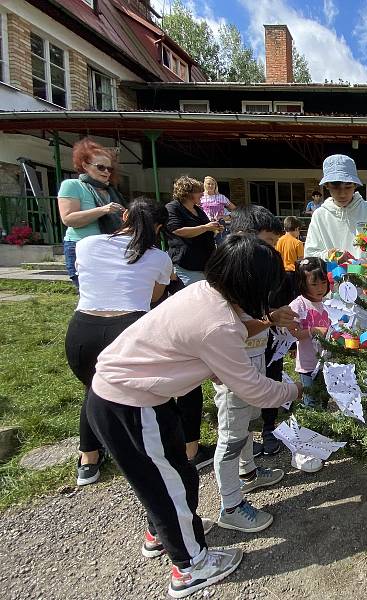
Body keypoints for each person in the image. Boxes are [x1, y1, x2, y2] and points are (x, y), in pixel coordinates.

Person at [87, 234, 303, 599]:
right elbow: (253, 388)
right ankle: (190, 567)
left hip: (134, 398)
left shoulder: (207, 292)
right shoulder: (217, 324)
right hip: (131, 405)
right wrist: (295, 391)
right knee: (170, 484)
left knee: (170, 475)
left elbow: (225, 337)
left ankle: (162, 533)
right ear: (251, 284)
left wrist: (264, 322)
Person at [65, 197, 173, 486]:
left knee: (94, 387)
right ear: (159, 227)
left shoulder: (86, 244)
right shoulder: (159, 257)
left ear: (125, 215)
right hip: (128, 328)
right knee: (137, 400)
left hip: (82, 330)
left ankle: (88, 457)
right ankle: (141, 455)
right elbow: (153, 297)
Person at [211, 243, 292, 534]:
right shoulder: (225, 304)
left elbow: (251, 327)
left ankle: (249, 472)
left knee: (245, 427)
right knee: (231, 436)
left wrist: (271, 319)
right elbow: (241, 330)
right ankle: (230, 506)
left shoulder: (248, 297)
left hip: (251, 368)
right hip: (233, 376)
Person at [228, 205, 296, 458]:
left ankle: (269, 428)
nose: (273, 249)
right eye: (268, 241)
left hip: (269, 341)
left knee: (272, 376)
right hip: (241, 348)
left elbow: (281, 297)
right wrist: (270, 318)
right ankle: (243, 447)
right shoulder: (229, 274)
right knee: (238, 400)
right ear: (245, 235)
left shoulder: (272, 265)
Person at [166, 176, 224, 469]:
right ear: (189, 192)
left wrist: (212, 228)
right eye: (199, 191)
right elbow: (178, 231)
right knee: (196, 308)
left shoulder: (198, 209)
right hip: (187, 266)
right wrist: (205, 227)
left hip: (204, 265)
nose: (203, 195)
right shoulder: (174, 209)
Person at [57, 138, 125, 288]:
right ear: (85, 166)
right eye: (101, 167)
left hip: (109, 248)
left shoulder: (110, 191)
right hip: (81, 248)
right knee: (90, 295)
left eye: (110, 168)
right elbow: (68, 219)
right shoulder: (72, 185)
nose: (106, 172)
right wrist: (102, 210)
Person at [288, 257, 332, 473]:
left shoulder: (330, 302)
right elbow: (293, 332)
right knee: (311, 404)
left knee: (323, 402)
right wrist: (313, 330)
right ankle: (306, 446)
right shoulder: (299, 305)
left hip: (327, 364)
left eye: (322, 283)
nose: (319, 288)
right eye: (313, 284)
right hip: (308, 365)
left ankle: (320, 439)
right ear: (302, 283)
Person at [304, 154, 367, 259]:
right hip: (332, 274)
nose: (342, 194)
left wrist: (365, 263)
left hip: (366, 273)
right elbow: (310, 255)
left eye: (348, 187)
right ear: (327, 186)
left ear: (355, 185)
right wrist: (328, 255)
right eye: (335, 188)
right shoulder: (320, 215)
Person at [201, 176, 236, 243]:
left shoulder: (221, 197)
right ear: (204, 185)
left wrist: (227, 217)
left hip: (220, 225)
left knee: (221, 244)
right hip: (206, 224)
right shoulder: (201, 197)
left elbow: (236, 210)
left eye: (212, 184)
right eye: (208, 184)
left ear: (215, 185)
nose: (210, 185)